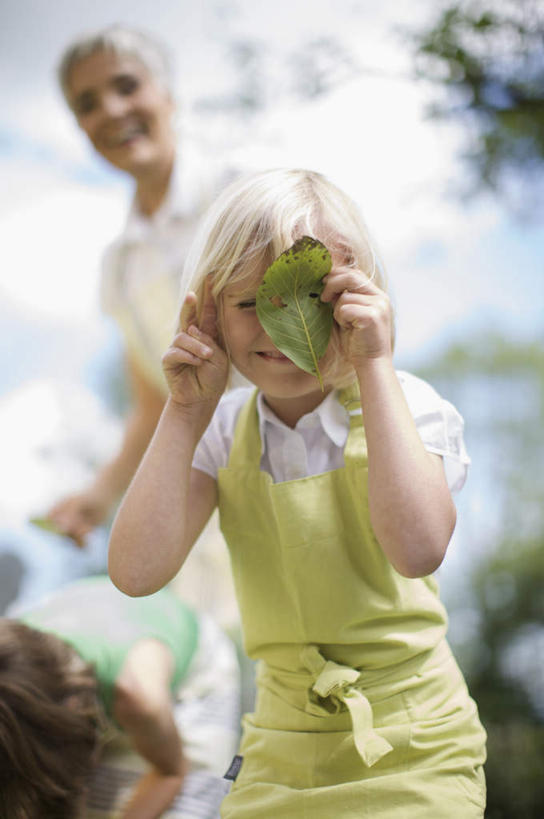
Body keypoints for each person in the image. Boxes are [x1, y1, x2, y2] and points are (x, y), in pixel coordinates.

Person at [108, 168, 487, 817]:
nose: (275, 328)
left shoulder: (404, 406)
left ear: (354, 295)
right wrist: (183, 409)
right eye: (248, 303)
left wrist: (374, 364)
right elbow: (137, 571)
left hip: (414, 743)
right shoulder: (221, 431)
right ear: (208, 313)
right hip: (279, 751)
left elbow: (419, 548)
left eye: (304, 297)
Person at [48, 25, 228, 547]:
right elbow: (153, 406)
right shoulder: (119, 269)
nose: (109, 110)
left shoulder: (244, 192)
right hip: (203, 513)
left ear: (167, 95)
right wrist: (98, 497)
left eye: (126, 86)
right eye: (87, 104)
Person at [0, 575, 240, 819]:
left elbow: (172, 773)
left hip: (191, 664)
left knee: (188, 810)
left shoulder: (137, 696)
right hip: (83, 607)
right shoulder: (13, 658)